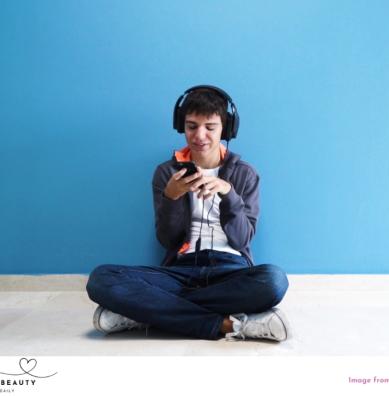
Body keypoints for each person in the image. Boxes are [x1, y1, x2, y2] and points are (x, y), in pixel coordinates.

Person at [86, 85, 290, 341]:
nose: (199, 135)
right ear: (181, 125)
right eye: (192, 126)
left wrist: (229, 194)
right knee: (101, 279)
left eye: (210, 127)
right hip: (180, 271)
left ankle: (143, 312)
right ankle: (229, 325)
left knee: (273, 281)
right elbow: (168, 241)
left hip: (230, 271)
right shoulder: (166, 172)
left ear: (226, 129)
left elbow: (242, 240)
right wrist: (171, 197)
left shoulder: (244, 173)